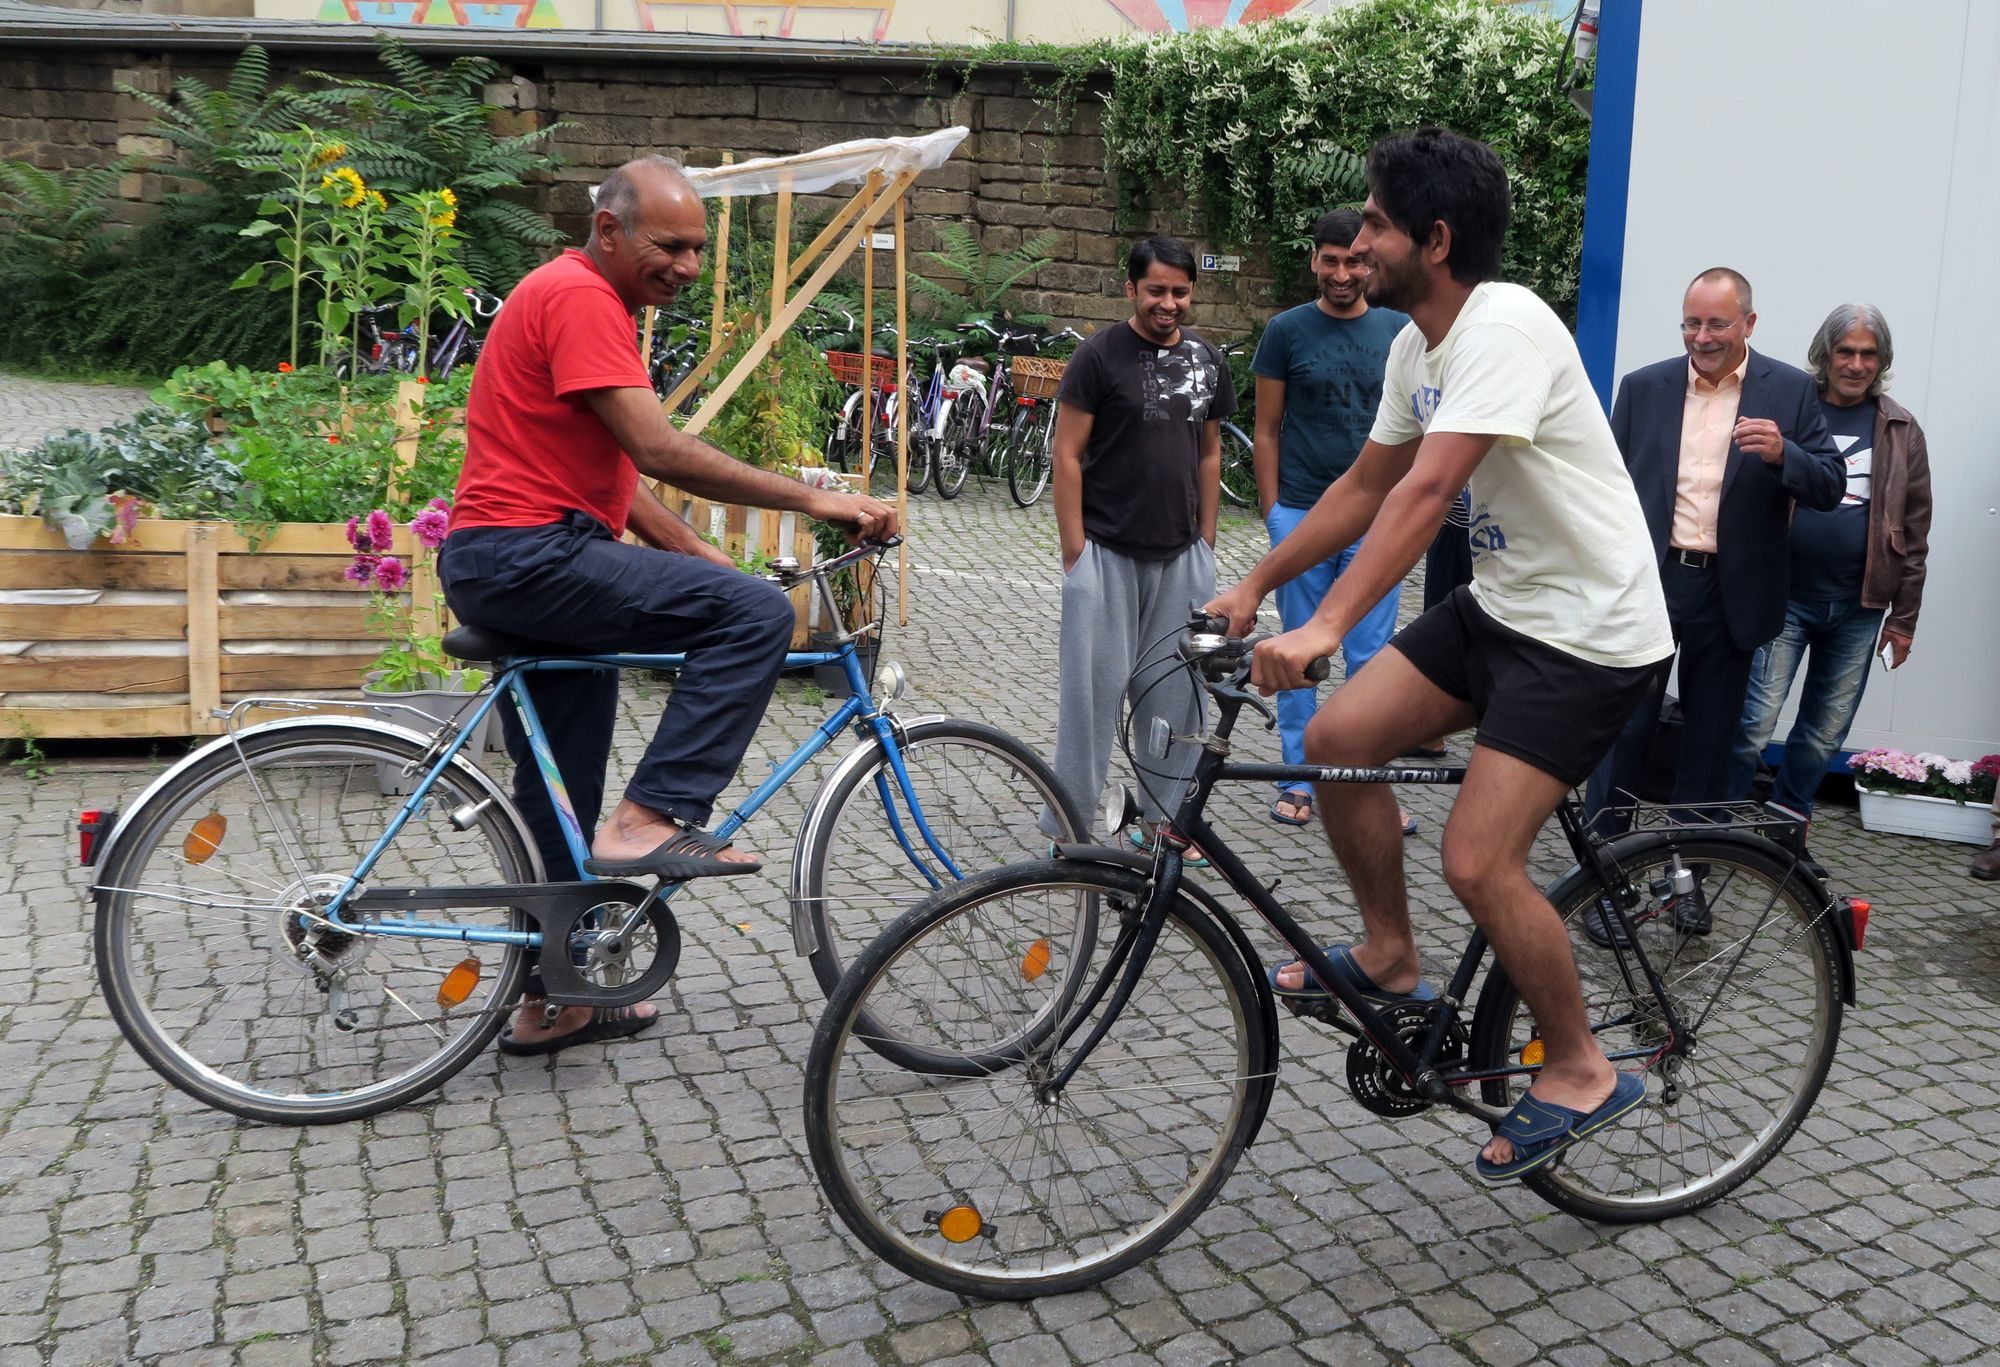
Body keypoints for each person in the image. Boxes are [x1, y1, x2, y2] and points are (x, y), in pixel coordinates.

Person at [1206, 127, 1674, 1181]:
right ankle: (1390, 953)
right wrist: (1256, 583)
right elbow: (1364, 486)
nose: (1356, 239)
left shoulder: (1504, 326)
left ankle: (1580, 1065)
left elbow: (1425, 494)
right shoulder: (1415, 346)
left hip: (1589, 633)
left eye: (1373, 220)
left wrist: (1326, 627)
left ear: (1435, 236)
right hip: (1507, 605)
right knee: (1335, 734)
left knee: (1475, 858)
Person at [439, 156, 896, 1054]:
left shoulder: (581, 298)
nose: (687, 266)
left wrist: (700, 557)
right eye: (671, 245)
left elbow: (612, 471)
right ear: (609, 230)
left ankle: (553, 995)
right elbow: (657, 449)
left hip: (517, 557)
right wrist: (814, 501)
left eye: (697, 249)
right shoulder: (580, 298)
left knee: (560, 793)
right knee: (756, 620)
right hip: (536, 557)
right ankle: (654, 817)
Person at [1584, 269, 1843, 834]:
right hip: (1650, 583)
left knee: (1709, 741)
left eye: (1717, 324)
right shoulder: (1643, 387)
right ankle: (1605, 865)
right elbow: (1606, 487)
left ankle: (1689, 872)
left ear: (1748, 323)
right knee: (1625, 728)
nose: (1702, 337)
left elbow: (1829, 484)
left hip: (1731, 593)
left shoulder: (1790, 390)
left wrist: (1783, 455)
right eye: (1692, 323)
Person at [1043, 235, 1232, 853]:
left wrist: (1205, 540)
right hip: (1105, 553)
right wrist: (1076, 553)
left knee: (1175, 698)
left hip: (1181, 556)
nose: (1169, 303)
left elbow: (1210, 452)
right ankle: (1071, 824)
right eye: (1157, 290)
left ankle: (1162, 821)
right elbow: (1066, 454)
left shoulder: (1207, 359)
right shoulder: (1098, 357)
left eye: (1180, 291)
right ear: (1131, 289)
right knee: (1091, 701)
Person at [1727, 304, 1932, 841]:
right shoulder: (1794, 408)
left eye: (1869, 353)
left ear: (1881, 360)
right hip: (1784, 597)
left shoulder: (1900, 428)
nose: (1857, 364)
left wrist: (1904, 619)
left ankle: (1784, 836)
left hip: (1859, 609)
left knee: (1822, 735)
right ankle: (1717, 833)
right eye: (1846, 351)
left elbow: (1914, 532)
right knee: (1753, 725)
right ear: (1826, 354)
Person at [1250, 208, 1414, 832]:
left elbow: (1418, 427)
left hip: (1377, 521)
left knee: (1373, 660)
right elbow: (1266, 430)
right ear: (1314, 261)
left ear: (1370, 263)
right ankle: (1298, 777)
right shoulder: (1286, 331)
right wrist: (1274, 514)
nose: (1342, 272)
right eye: (1331, 259)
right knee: (1297, 655)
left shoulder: (1401, 330)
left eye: (1354, 260)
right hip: (1302, 513)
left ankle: (1366, 786)